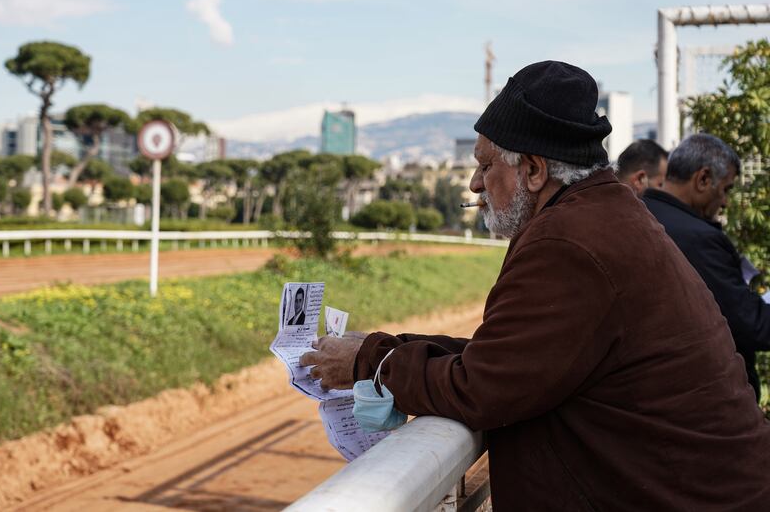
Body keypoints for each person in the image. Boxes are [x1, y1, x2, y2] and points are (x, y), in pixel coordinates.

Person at [301, 61, 770, 510]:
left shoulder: (568, 241)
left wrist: (372, 362)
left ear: (533, 170)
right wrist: (390, 347)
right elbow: (517, 357)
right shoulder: (604, 214)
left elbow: (482, 387)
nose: (473, 184)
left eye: (486, 167)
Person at [643, 133, 770, 400]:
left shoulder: (641, 212)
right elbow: (750, 324)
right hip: (705, 398)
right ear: (702, 179)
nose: (724, 202)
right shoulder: (699, 238)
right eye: (725, 189)